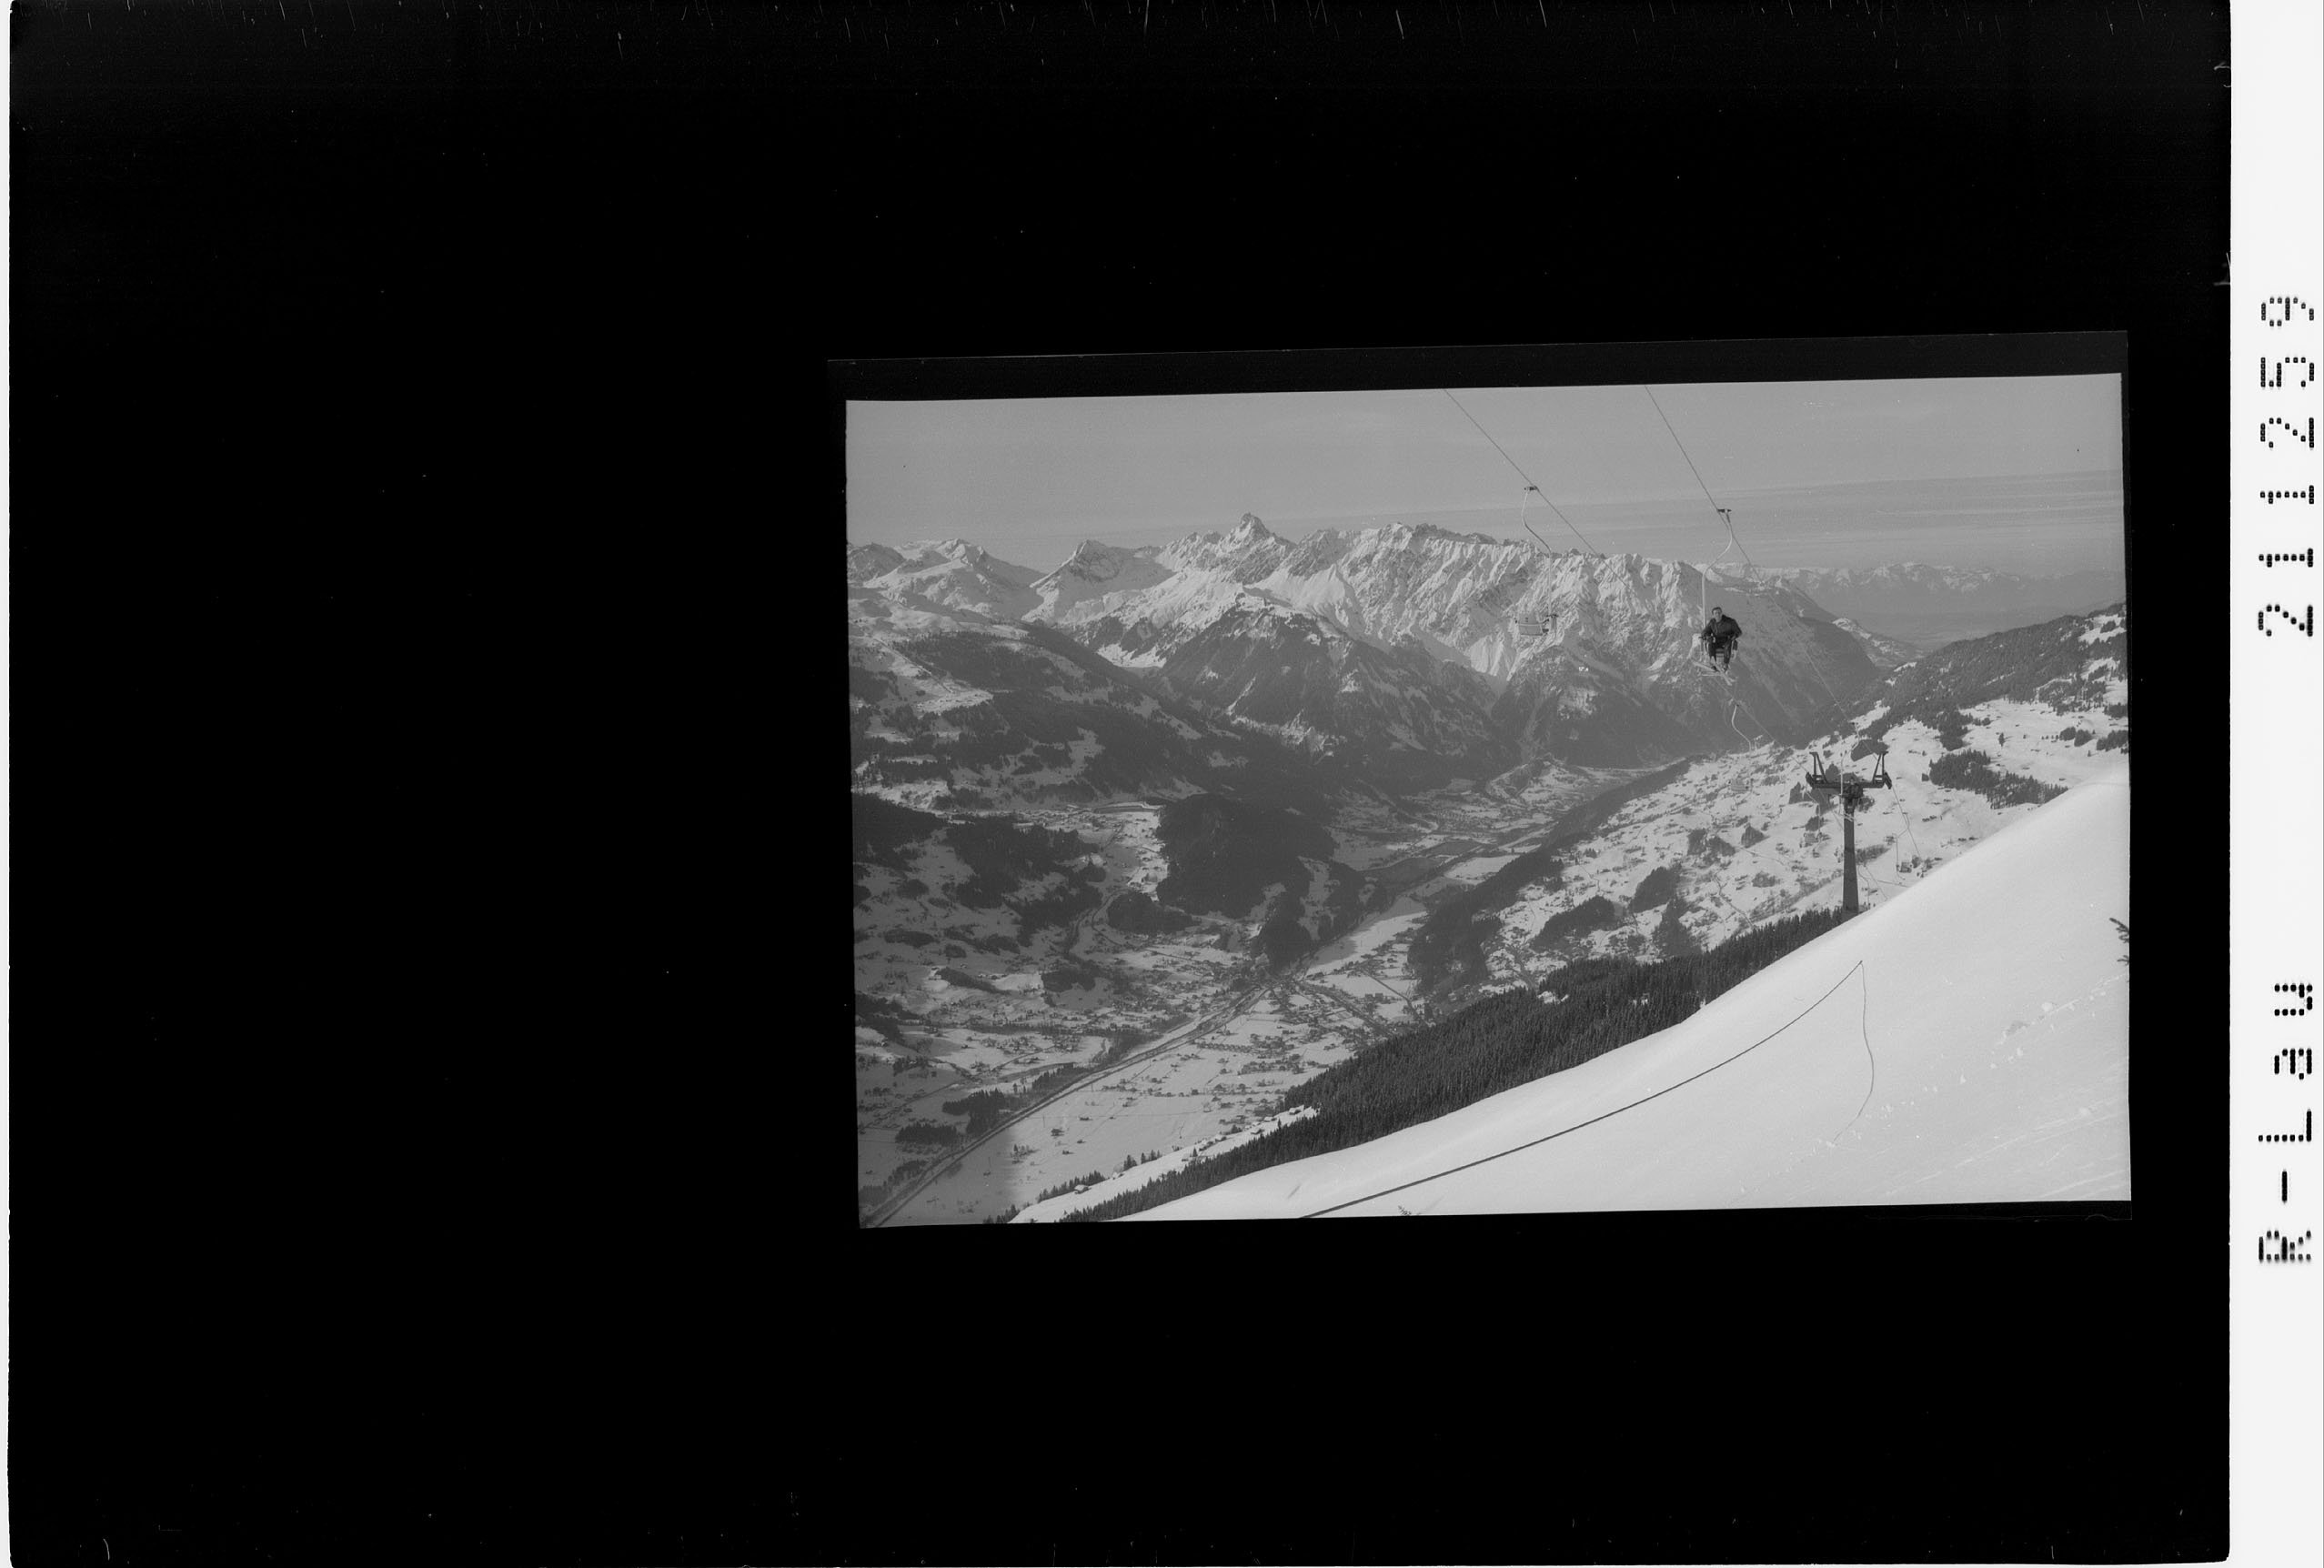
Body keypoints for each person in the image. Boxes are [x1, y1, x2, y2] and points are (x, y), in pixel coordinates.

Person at [1700, 606, 1741, 671]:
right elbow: (1705, 632)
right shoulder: (1712, 623)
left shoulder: (1730, 622)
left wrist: (1733, 636)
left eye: (1719, 613)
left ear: (1721, 613)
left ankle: (1725, 664)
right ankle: (1713, 664)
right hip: (1716, 640)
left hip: (1726, 640)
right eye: (1715, 613)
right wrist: (1708, 636)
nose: (1718, 614)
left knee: (1728, 645)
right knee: (1711, 644)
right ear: (1713, 615)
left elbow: (1738, 632)